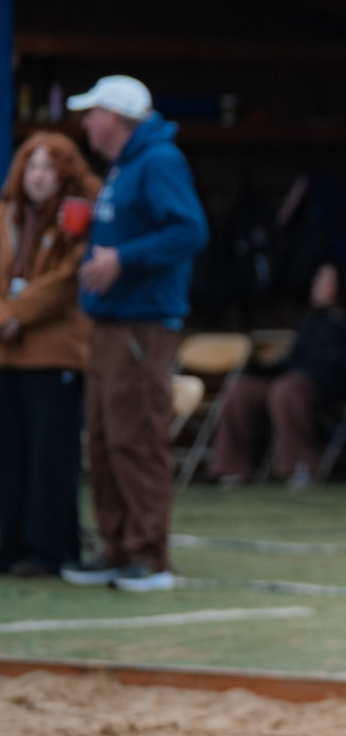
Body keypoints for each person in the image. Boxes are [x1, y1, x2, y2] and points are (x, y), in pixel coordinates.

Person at [59, 76, 209, 593]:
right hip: (112, 321)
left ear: (113, 117)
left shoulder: (159, 161)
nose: (85, 124)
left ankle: (148, 555)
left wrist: (123, 258)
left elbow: (189, 230)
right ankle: (116, 547)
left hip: (141, 323)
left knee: (135, 436)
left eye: (91, 114)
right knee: (104, 439)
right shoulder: (126, 165)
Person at [0, 133, 101, 578]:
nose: (38, 176)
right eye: (32, 166)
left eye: (49, 168)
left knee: (50, 458)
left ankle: (48, 548)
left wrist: (17, 313)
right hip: (7, 355)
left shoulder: (77, 215)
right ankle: (8, 543)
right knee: (9, 457)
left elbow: (68, 278)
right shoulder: (7, 214)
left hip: (55, 354)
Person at [208, 262, 346, 487]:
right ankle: (231, 467)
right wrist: (266, 368)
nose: (316, 286)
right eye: (316, 280)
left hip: (322, 383)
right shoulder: (311, 321)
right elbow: (295, 356)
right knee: (241, 389)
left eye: (324, 281)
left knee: (287, 389)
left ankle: (299, 465)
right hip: (292, 376)